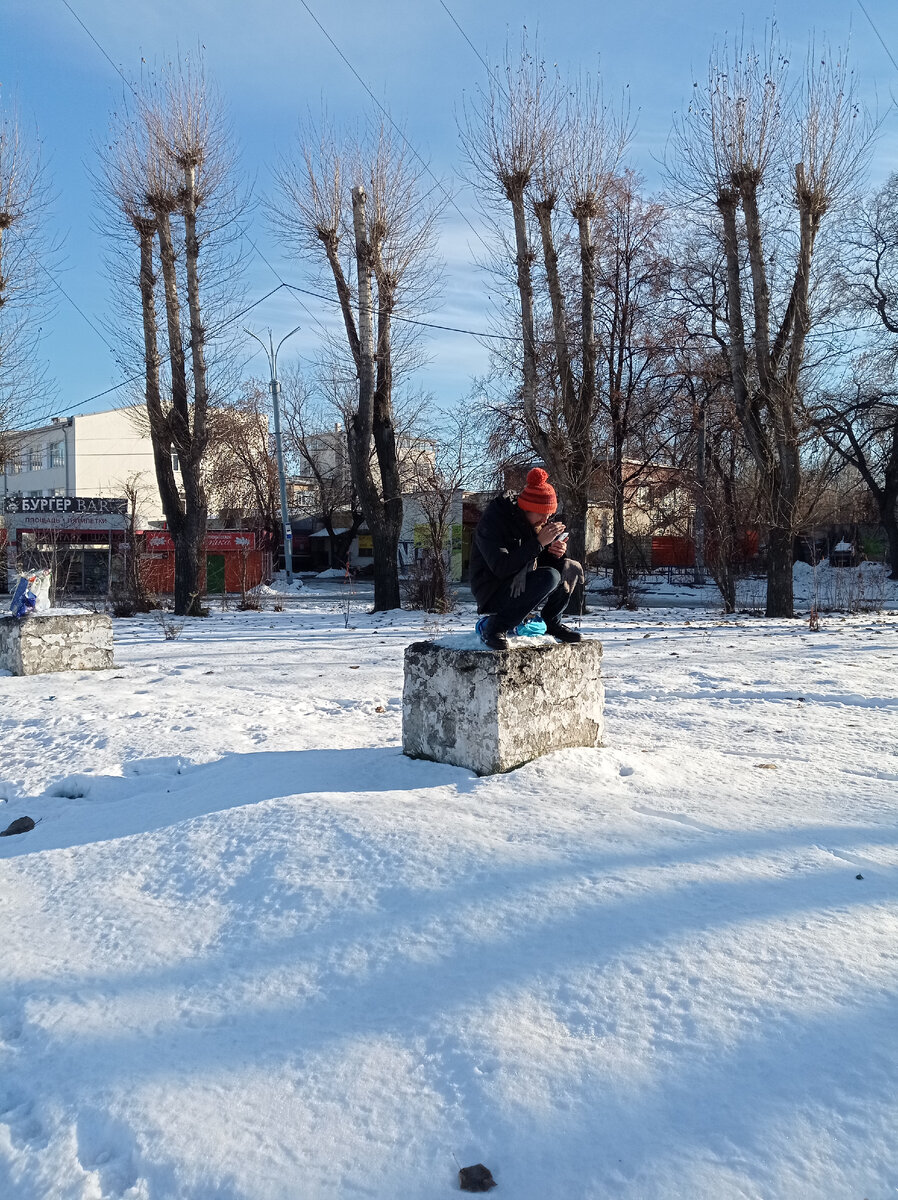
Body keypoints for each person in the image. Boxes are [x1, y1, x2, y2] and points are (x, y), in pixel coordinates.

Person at [469, 467, 584, 650]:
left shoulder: (531, 522)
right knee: (550, 577)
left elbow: (536, 562)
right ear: (527, 508)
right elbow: (501, 567)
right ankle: (495, 627)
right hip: (492, 590)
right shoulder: (494, 522)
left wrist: (555, 555)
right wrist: (539, 543)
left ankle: (552, 622)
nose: (545, 519)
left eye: (549, 514)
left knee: (564, 568)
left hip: (518, 583)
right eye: (541, 513)